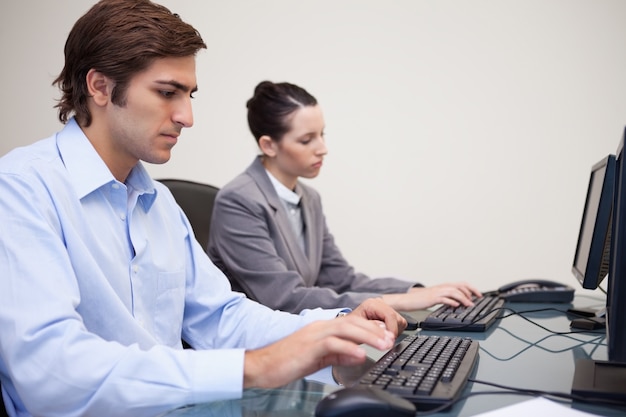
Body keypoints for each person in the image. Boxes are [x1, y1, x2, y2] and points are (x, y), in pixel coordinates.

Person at [0, 2, 406, 416]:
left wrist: (334, 330)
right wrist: (255, 367)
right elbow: (50, 371)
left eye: (189, 95)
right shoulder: (20, 190)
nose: (186, 116)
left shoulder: (158, 204)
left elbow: (221, 317)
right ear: (100, 87)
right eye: (167, 93)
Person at [208, 81, 482, 314]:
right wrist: (401, 302)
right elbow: (284, 298)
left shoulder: (309, 198)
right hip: (254, 353)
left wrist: (417, 290)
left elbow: (340, 279)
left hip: (301, 337)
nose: (322, 149)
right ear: (268, 145)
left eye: (322, 135)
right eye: (307, 140)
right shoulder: (238, 201)